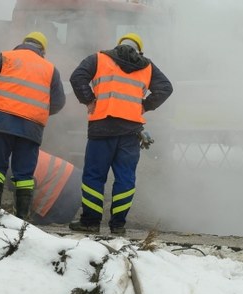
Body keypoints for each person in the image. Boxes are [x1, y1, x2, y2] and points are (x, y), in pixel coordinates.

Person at [68, 33, 173, 235]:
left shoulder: (98, 58)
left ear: (118, 46)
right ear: (139, 50)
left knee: (94, 176)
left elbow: (77, 77)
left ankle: (90, 222)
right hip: (131, 131)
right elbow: (165, 88)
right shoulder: (147, 66)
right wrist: (145, 106)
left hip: (102, 127)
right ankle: (118, 225)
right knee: (125, 178)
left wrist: (88, 100)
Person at [0, 31, 66, 219]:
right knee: (24, 173)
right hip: (31, 127)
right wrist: (37, 109)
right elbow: (58, 102)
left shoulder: (5, 57)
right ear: (42, 50)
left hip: (1, 121)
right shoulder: (50, 69)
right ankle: (22, 217)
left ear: (23, 43)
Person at [30, 150, 81, 225]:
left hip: (64, 191)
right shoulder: (29, 150)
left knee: (38, 224)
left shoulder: (17, 160)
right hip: (73, 178)